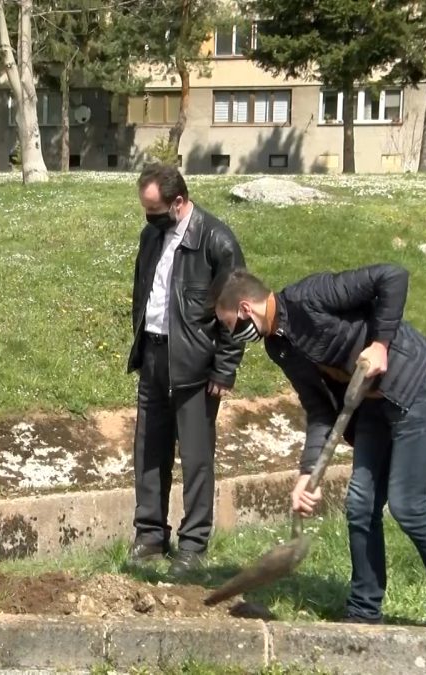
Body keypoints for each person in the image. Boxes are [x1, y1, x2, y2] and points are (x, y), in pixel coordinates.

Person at [212, 264, 426, 630]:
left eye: (231, 326)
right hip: (371, 405)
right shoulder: (279, 347)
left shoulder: (310, 297)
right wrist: (309, 473)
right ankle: (364, 612)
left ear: (245, 309)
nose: (235, 335)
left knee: (407, 504)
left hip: (418, 387)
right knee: (360, 503)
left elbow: (393, 276)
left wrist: (380, 345)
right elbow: (321, 409)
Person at [127, 163, 247, 577]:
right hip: (154, 357)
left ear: (178, 203)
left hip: (196, 368)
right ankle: (149, 536)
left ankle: (193, 545)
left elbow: (238, 312)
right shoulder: (150, 237)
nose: (149, 218)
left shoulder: (216, 240)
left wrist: (224, 368)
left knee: (196, 458)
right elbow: (145, 293)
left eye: (155, 209)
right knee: (148, 451)